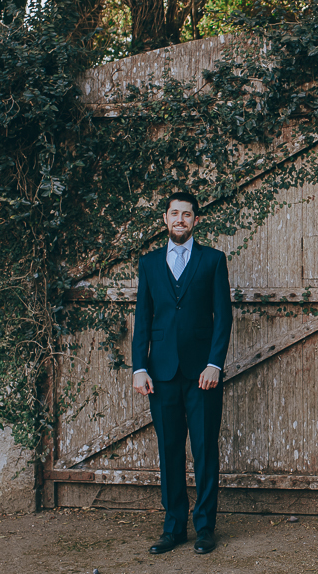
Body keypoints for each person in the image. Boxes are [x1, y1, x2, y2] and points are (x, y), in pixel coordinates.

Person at [131, 191, 233, 555]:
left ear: (195, 221)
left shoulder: (213, 260)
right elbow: (143, 318)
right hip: (161, 373)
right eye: (174, 214)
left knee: (205, 449)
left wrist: (214, 363)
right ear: (165, 219)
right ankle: (173, 526)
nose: (180, 220)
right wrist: (139, 367)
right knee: (169, 449)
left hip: (202, 373)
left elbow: (223, 316)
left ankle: (205, 527)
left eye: (187, 215)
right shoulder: (150, 263)